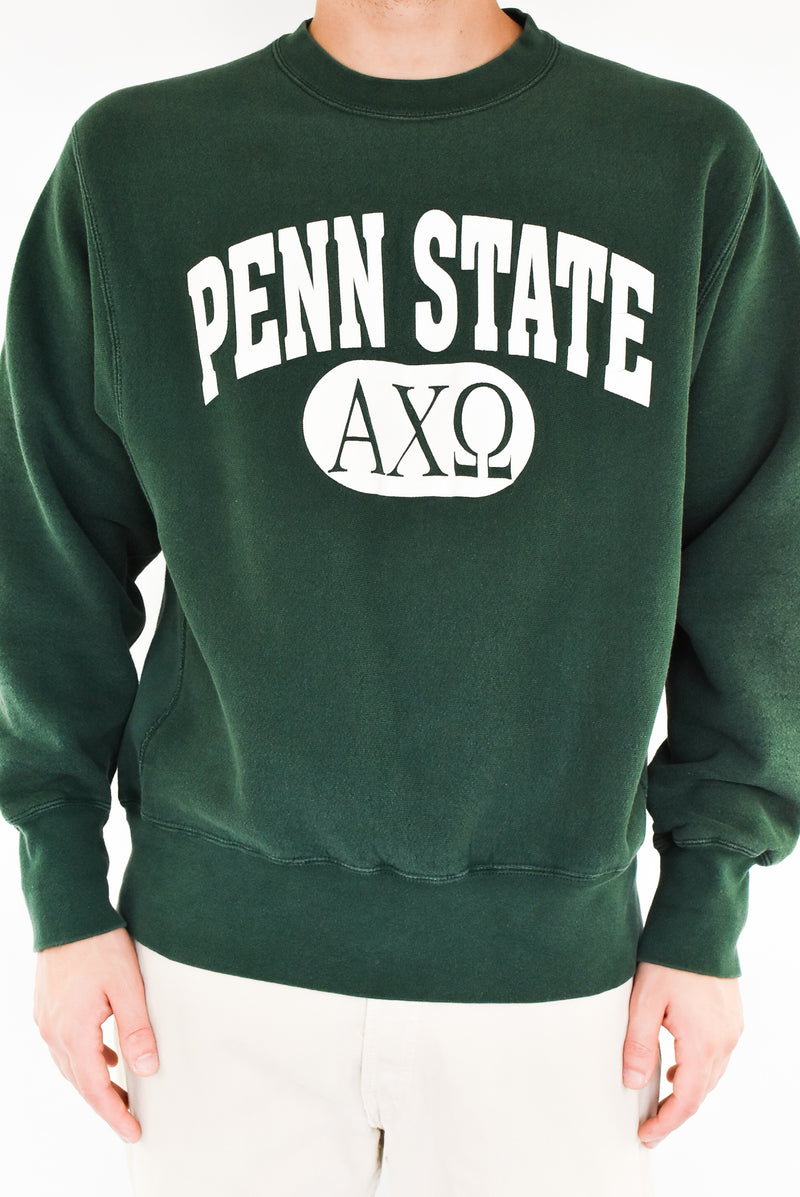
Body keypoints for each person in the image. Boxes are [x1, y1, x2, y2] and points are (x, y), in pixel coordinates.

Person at [1, 1, 799, 1193]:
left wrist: (705, 898)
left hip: (565, 997)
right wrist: (61, 890)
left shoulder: (682, 161)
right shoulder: (137, 160)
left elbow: (762, 559)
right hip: (203, 986)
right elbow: (45, 549)